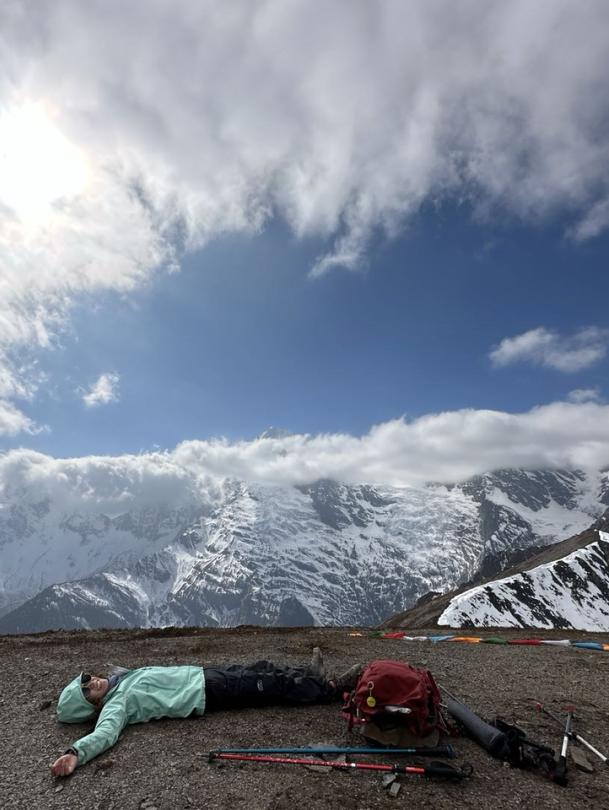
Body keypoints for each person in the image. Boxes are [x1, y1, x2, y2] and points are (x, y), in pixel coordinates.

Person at [50, 649, 362, 777]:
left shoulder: (120, 680)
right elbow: (105, 734)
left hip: (201, 675)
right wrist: (76, 753)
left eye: (87, 678)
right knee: (266, 685)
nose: (93, 681)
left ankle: (308, 675)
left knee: (261, 670)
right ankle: (331, 689)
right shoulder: (117, 704)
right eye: (87, 689)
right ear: (90, 705)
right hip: (205, 693)